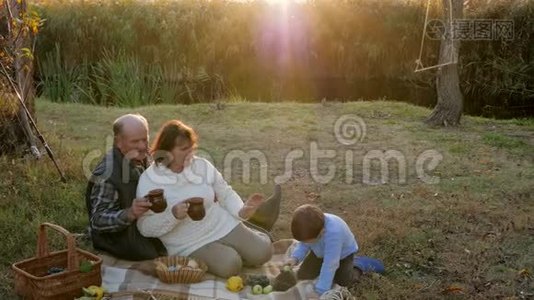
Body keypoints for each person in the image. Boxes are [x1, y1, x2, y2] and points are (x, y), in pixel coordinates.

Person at [136, 119, 276, 278]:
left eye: (192, 148)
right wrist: (172, 216)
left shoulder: (202, 166)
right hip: (189, 242)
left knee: (263, 252)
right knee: (231, 266)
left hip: (220, 224)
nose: (191, 154)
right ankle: (235, 250)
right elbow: (144, 227)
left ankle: (252, 235)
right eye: (184, 149)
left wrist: (242, 210)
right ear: (167, 151)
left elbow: (225, 193)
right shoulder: (149, 180)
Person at [85, 114, 166, 261]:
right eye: (135, 141)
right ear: (118, 142)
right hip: (120, 239)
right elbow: (97, 220)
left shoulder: (141, 156)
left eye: (145, 139)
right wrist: (130, 213)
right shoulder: (107, 174)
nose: (142, 146)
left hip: (144, 226)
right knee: (159, 253)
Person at [284, 204, 362, 297]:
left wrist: (321, 290)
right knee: (304, 274)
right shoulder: (312, 226)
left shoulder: (334, 234)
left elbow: (330, 264)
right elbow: (304, 243)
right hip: (320, 252)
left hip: (343, 254)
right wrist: (295, 258)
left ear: (322, 232)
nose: (306, 243)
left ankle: (357, 267)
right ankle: (324, 270)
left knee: (342, 280)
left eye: (308, 241)